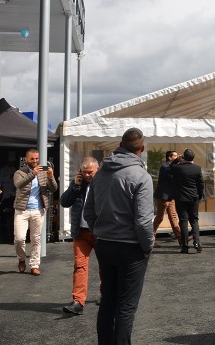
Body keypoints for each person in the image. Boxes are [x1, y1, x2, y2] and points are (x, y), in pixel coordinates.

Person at [84, 128, 154, 345]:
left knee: (108, 301)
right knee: (126, 306)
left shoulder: (101, 173)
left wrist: (101, 232)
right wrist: (147, 246)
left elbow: (89, 212)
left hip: (105, 243)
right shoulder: (141, 176)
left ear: (120, 145)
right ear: (141, 149)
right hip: (130, 247)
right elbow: (143, 221)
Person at [61, 156, 101, 315]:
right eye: (84, 172)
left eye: (90, 172)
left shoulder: (104, 183)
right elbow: (64, 202)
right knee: (79, 266)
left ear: (97, 169)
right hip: (81, 233)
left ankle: (105, 294)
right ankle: (78, 301)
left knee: (105, 266)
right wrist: (74, 186)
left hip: (100, 233)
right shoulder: (78, 185)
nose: (87, 175)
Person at [13, 149, 58, 275]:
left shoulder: (43, 173)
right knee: (19, 239)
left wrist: (51, 177)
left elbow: (53, 188)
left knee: (36, 239)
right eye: (32, 159)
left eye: (37, 159)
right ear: (26, 159)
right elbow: (19, 184)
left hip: (38, 210)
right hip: (22, 211)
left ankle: (34, 265)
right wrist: (33, 173)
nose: (35, 161)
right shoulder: (19, 172)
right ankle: (22, 259)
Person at [171, 149, 205, 253]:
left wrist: (177, 159)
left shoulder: (177, 167)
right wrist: (199, 195)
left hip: (181, 198)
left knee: (183, 221)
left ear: (183, 157)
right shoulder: (197, 168)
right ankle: (197, 242)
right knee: (194, 220)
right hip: (193, 197)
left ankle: (185, 246)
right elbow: (201, 184)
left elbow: (171, 166)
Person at [152, 150, 182, 247]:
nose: (177, 157)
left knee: (173, 217)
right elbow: (170, 172)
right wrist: (177, 161)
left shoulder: (173, 166)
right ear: (169, 157)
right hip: (162, 197)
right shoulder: (165, 166)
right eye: (175, 156)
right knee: (159, 218)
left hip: (170, 196)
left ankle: (181, 238)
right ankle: (151, 239)